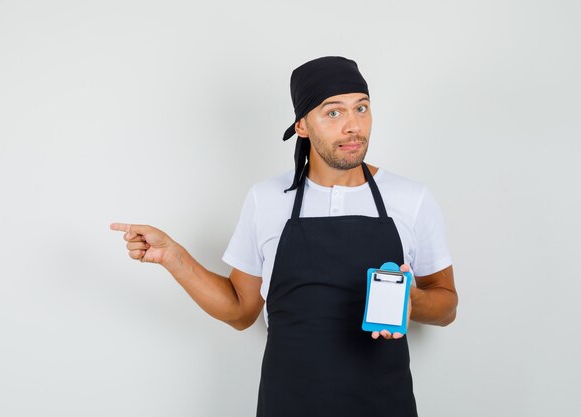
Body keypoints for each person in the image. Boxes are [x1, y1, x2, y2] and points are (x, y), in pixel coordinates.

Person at [110, 56, 458, 417]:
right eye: (333, 113)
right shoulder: (267, 199)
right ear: (302, 126)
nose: (353, 126)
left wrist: (411, 301)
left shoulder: (411, 198)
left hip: (384, 405)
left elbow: (447, 304)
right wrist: (174, 257)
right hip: (288, 404)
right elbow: (241, 310)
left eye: (361, 108)